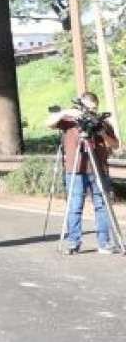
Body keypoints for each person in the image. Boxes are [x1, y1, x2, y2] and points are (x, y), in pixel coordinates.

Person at [54, 91, 118, 254]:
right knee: (74, 206)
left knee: (102, 206)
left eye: (94, 109)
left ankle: (104, 243)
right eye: (88, 109)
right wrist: (64, 112)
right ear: (80, 106)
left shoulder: (101, 123)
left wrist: (102, 133)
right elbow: (48, 123)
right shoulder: (69, 121)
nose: (91, 112)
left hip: (98, 169)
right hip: (75, 170)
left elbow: (115, 145)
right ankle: (73, 243)